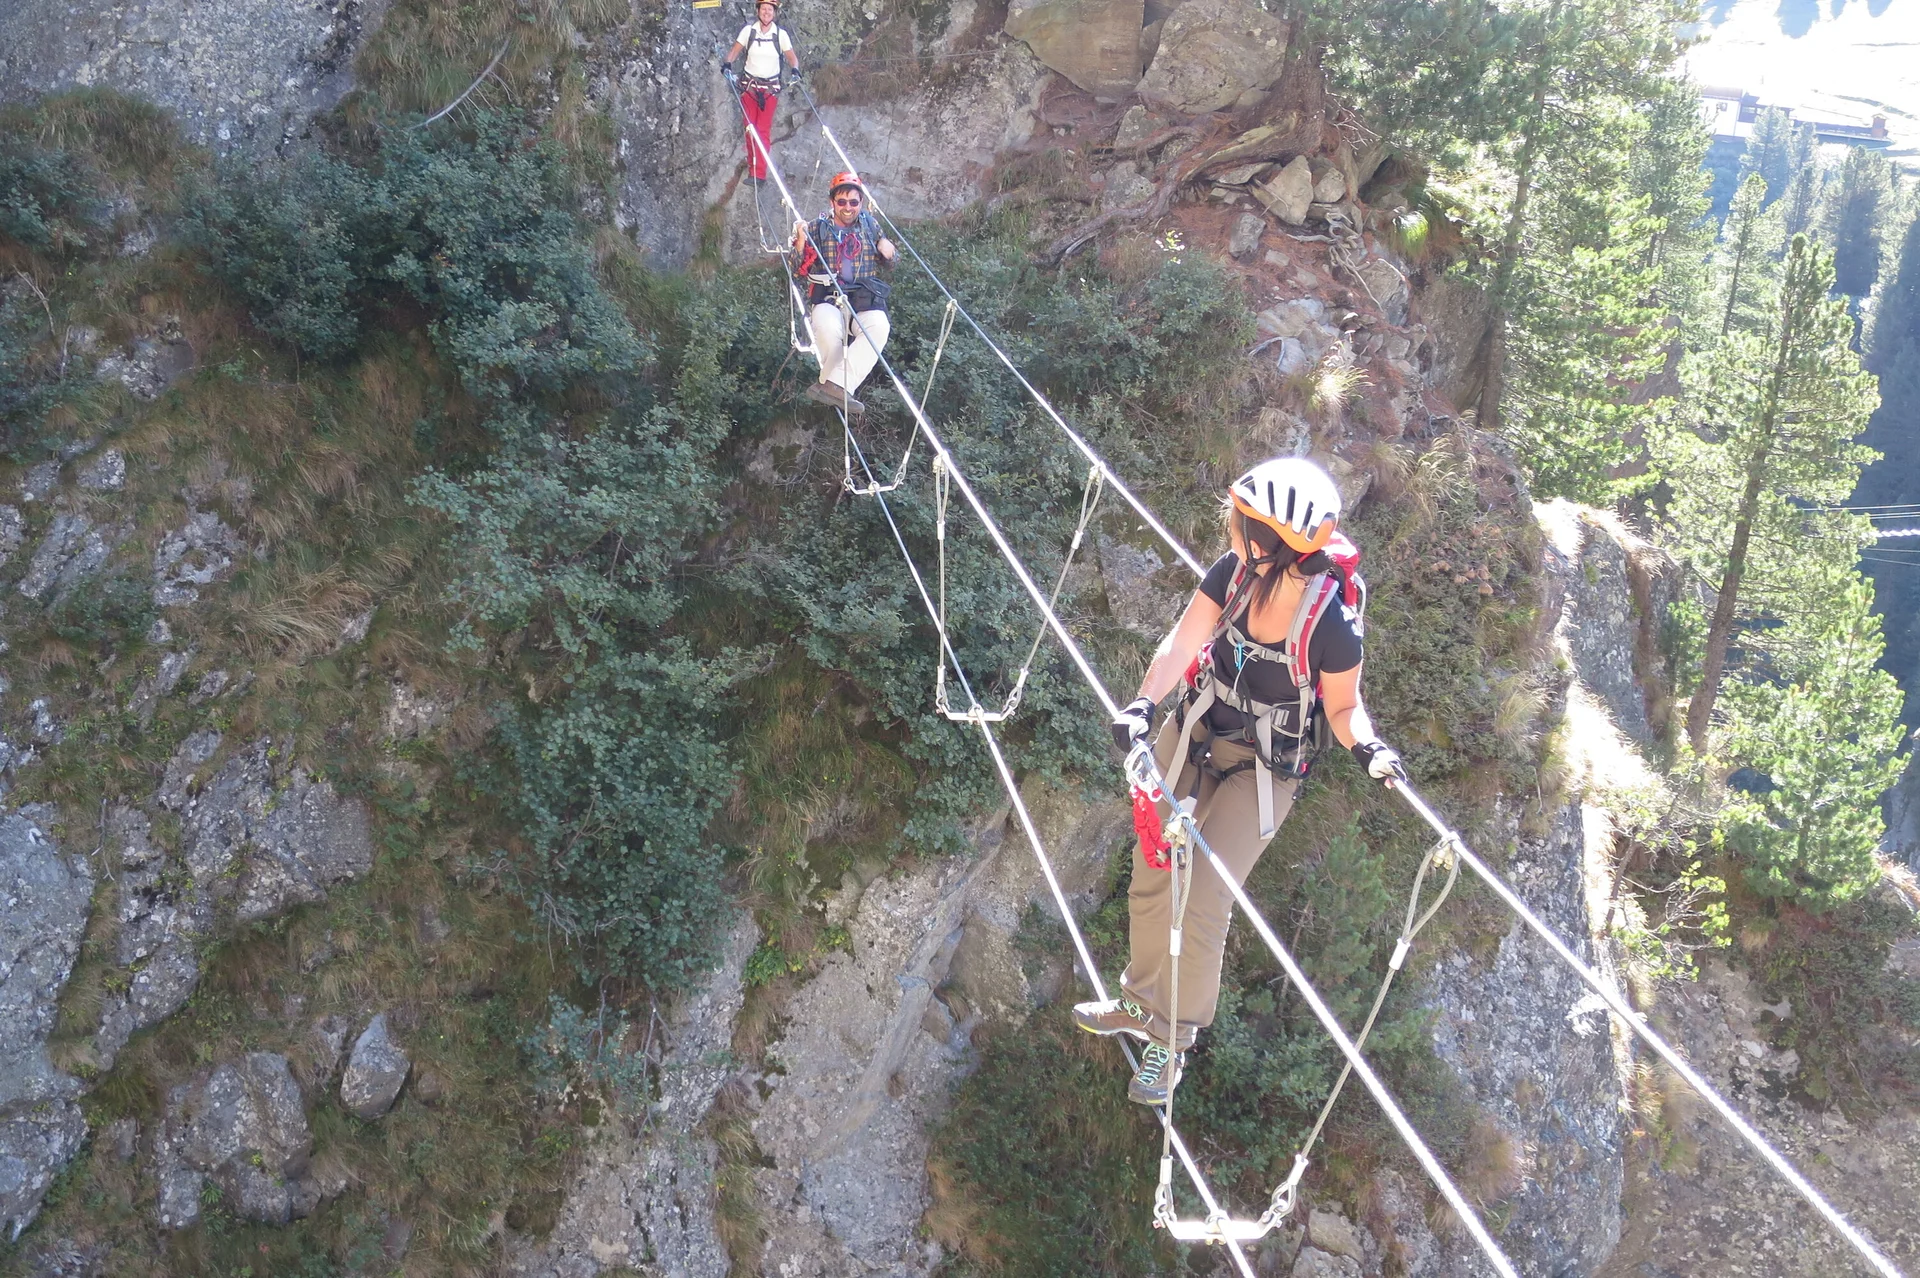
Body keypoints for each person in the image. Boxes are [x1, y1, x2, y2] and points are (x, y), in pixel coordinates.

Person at [1076, 457, 1406, 1106]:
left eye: (1242, 524)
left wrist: (1368, 748)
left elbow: (1342, 709)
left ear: (1269, 543)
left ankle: (1170, 1042)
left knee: (1202, 900)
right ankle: (1141, 1005)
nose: (1230, 531)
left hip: (1265, 770)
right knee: (1153, 870)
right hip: (1193, 733)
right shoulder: (1232, 576)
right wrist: (1144, 704)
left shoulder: (1330, 626)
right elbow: (1181, 642)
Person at [793, 170, 897, 416]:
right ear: (832, 203)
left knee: (879, 328)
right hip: (828, 295)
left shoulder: (870, 224)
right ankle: (833, 386)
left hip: (864, 296)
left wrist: (889, 251)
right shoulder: (817, 228)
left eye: (854, 202)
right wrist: (799, 240)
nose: (848, 208)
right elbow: (797, 269)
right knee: (829, 331)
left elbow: (890, 263)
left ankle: (834, 386)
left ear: (861, 203)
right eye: (842, 202)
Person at [721, 0, 799, 181]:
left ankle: (759, 174)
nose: (766, 12)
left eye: (769, 9)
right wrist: (727, 64)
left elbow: (791, 57)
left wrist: (795, 69)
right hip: (749, 87)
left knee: (762, 131)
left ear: (775, 13)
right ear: (758, 11)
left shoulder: (780, 35)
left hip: (769, 90)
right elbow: (735, 51)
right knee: (750, 129)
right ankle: (752, 169)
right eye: (763, 9)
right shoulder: (749, 31)